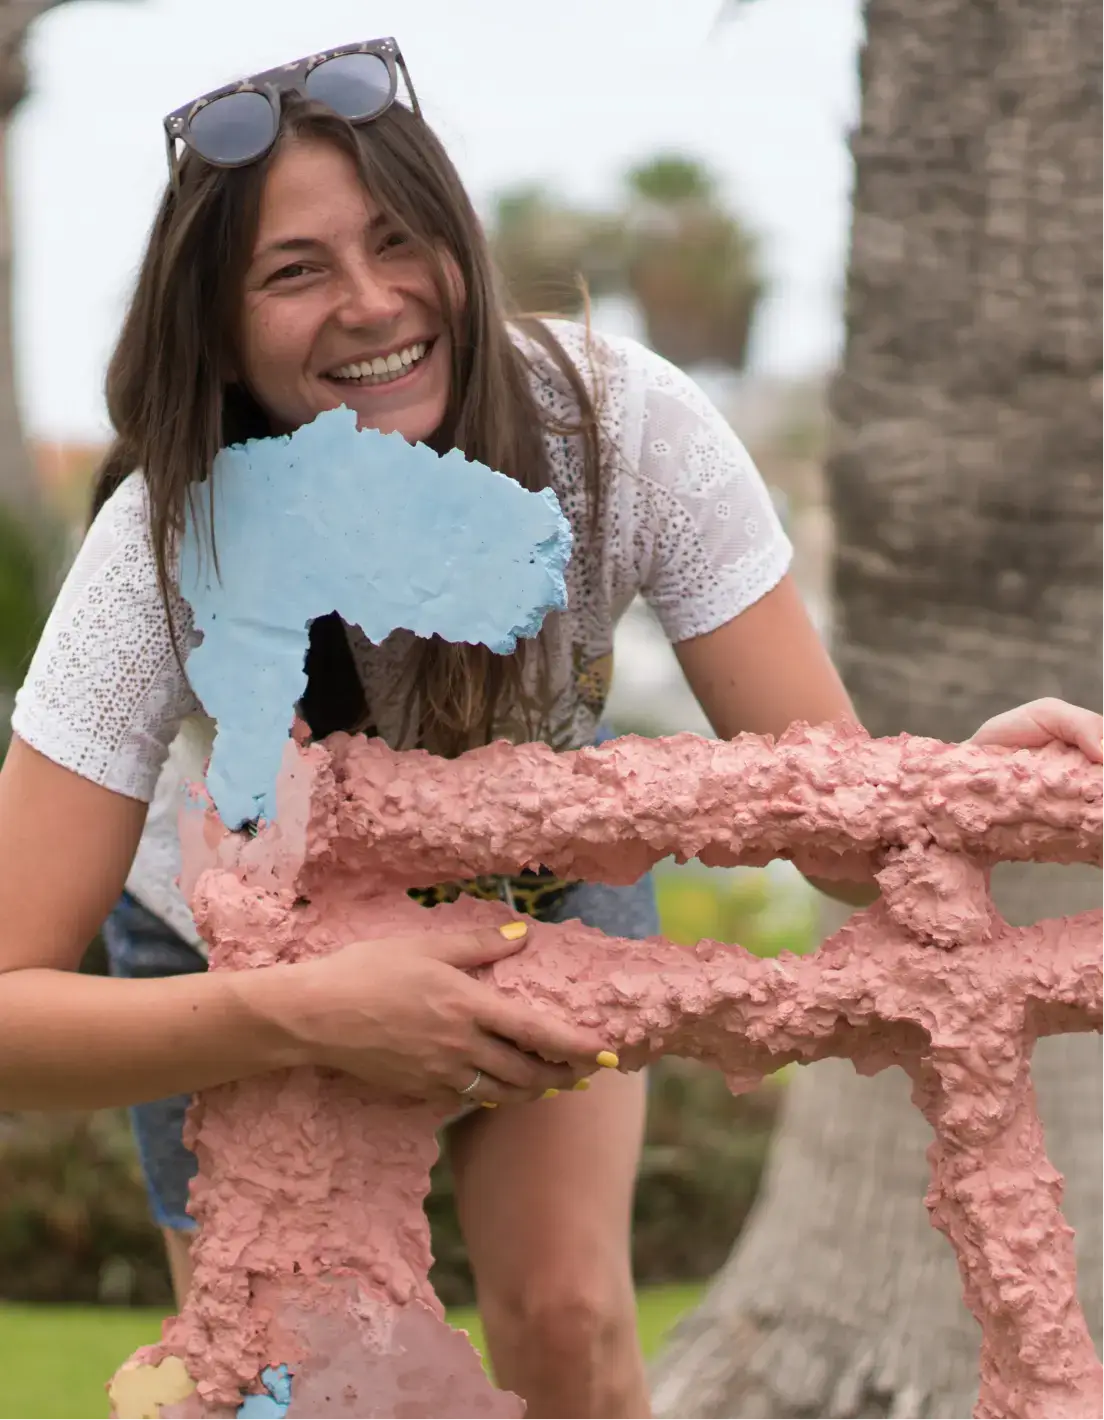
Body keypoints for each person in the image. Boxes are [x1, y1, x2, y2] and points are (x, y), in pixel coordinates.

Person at [1, 37, 1102, 1420]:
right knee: (294, 1387)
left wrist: (959, 782)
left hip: (536, 901)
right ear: (218, 330)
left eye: (402, 242)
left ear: (460, 244)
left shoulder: (625, 435)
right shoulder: (163, 547)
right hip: (241, 962)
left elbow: (842, 832)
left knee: (572, 1326)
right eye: (294, 271)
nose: (370, 303)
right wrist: (295, 1011)